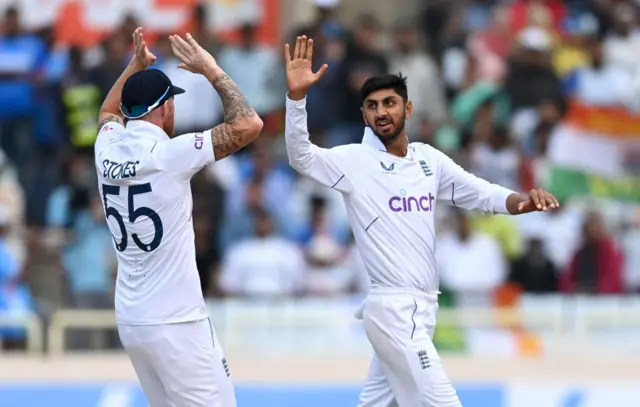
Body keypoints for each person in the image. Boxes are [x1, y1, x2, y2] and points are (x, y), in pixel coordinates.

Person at [283, 35, 560, 407]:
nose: (381, 112)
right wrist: (297, 98)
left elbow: (478, 192)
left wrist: (522, 202)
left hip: (423, 307)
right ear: (363, 115)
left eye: (389, 103)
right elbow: (301, 156)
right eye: (372, 106)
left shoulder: (428, 159)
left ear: (407, 109)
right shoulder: (354, 162)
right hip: (395, 310)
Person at [94, 28, 263, 407]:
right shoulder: (169, 155)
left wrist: (134, 67)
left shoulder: (106, 149)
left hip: (133, 320)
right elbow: (249, 124)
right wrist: (211, 69)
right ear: (165, 108)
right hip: (177, 322)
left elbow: (107, 112)